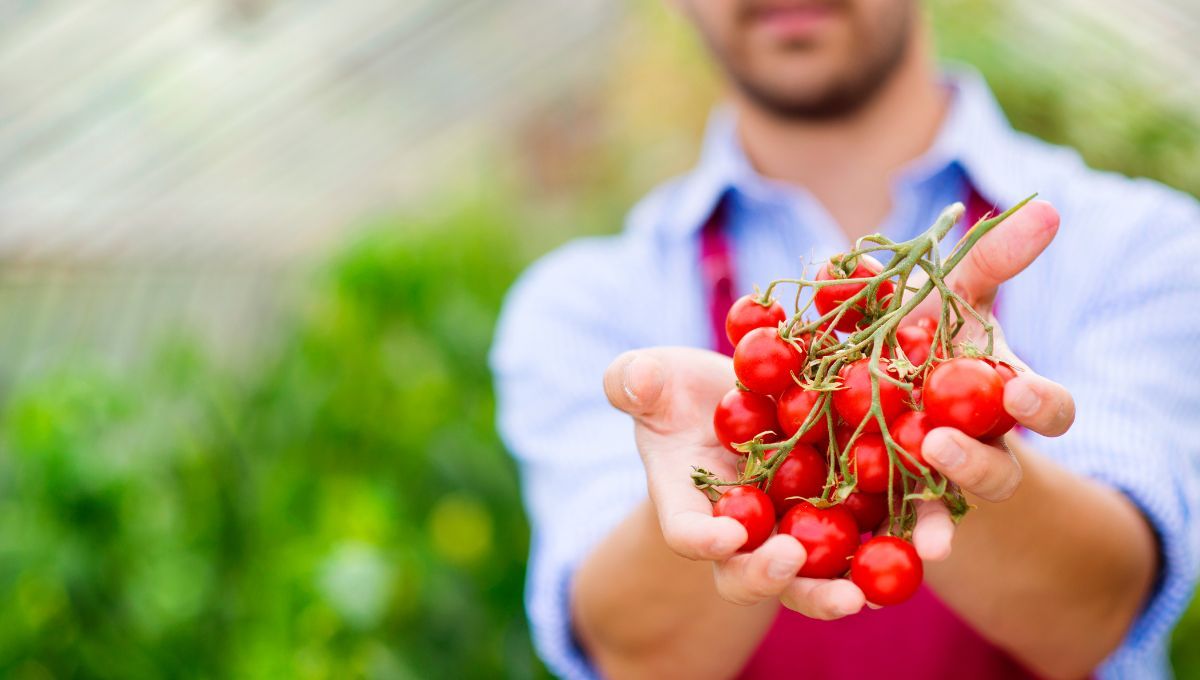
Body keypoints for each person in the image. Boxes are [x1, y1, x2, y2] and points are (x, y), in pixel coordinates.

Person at [490, 2, 1200, 678]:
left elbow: (1094, 613)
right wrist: (724, 487)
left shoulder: (1140, 247)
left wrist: (956, 436)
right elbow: (638, 660)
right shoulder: (581, 307)